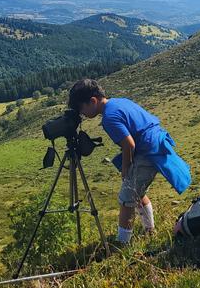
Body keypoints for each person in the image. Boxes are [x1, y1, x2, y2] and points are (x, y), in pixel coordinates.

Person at [68, 79, 191, 245]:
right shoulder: (119, 102)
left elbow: (129, 144)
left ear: (93, 101)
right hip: (153, 143)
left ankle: (122, 244)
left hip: (148, 151)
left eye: (82, 110)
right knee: (136, 192)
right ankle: (150, 230)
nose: (83, 115)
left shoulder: (109, 118)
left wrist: (125, 168)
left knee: (127, 198)